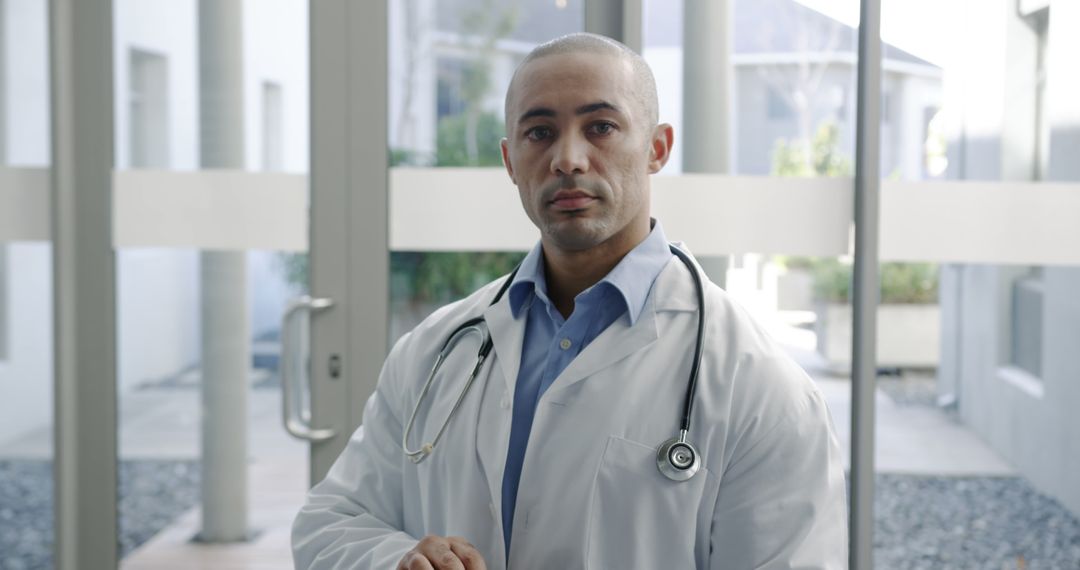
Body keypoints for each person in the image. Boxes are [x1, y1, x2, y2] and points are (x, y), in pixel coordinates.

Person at [292, 33, 848, 570]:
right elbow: (328, 522)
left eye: (601, 126)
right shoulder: (434, 350)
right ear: (511, 161)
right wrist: (398, 560)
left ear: (657, 148)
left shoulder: (760, 387)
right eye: (539, 132)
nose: (568, 159)